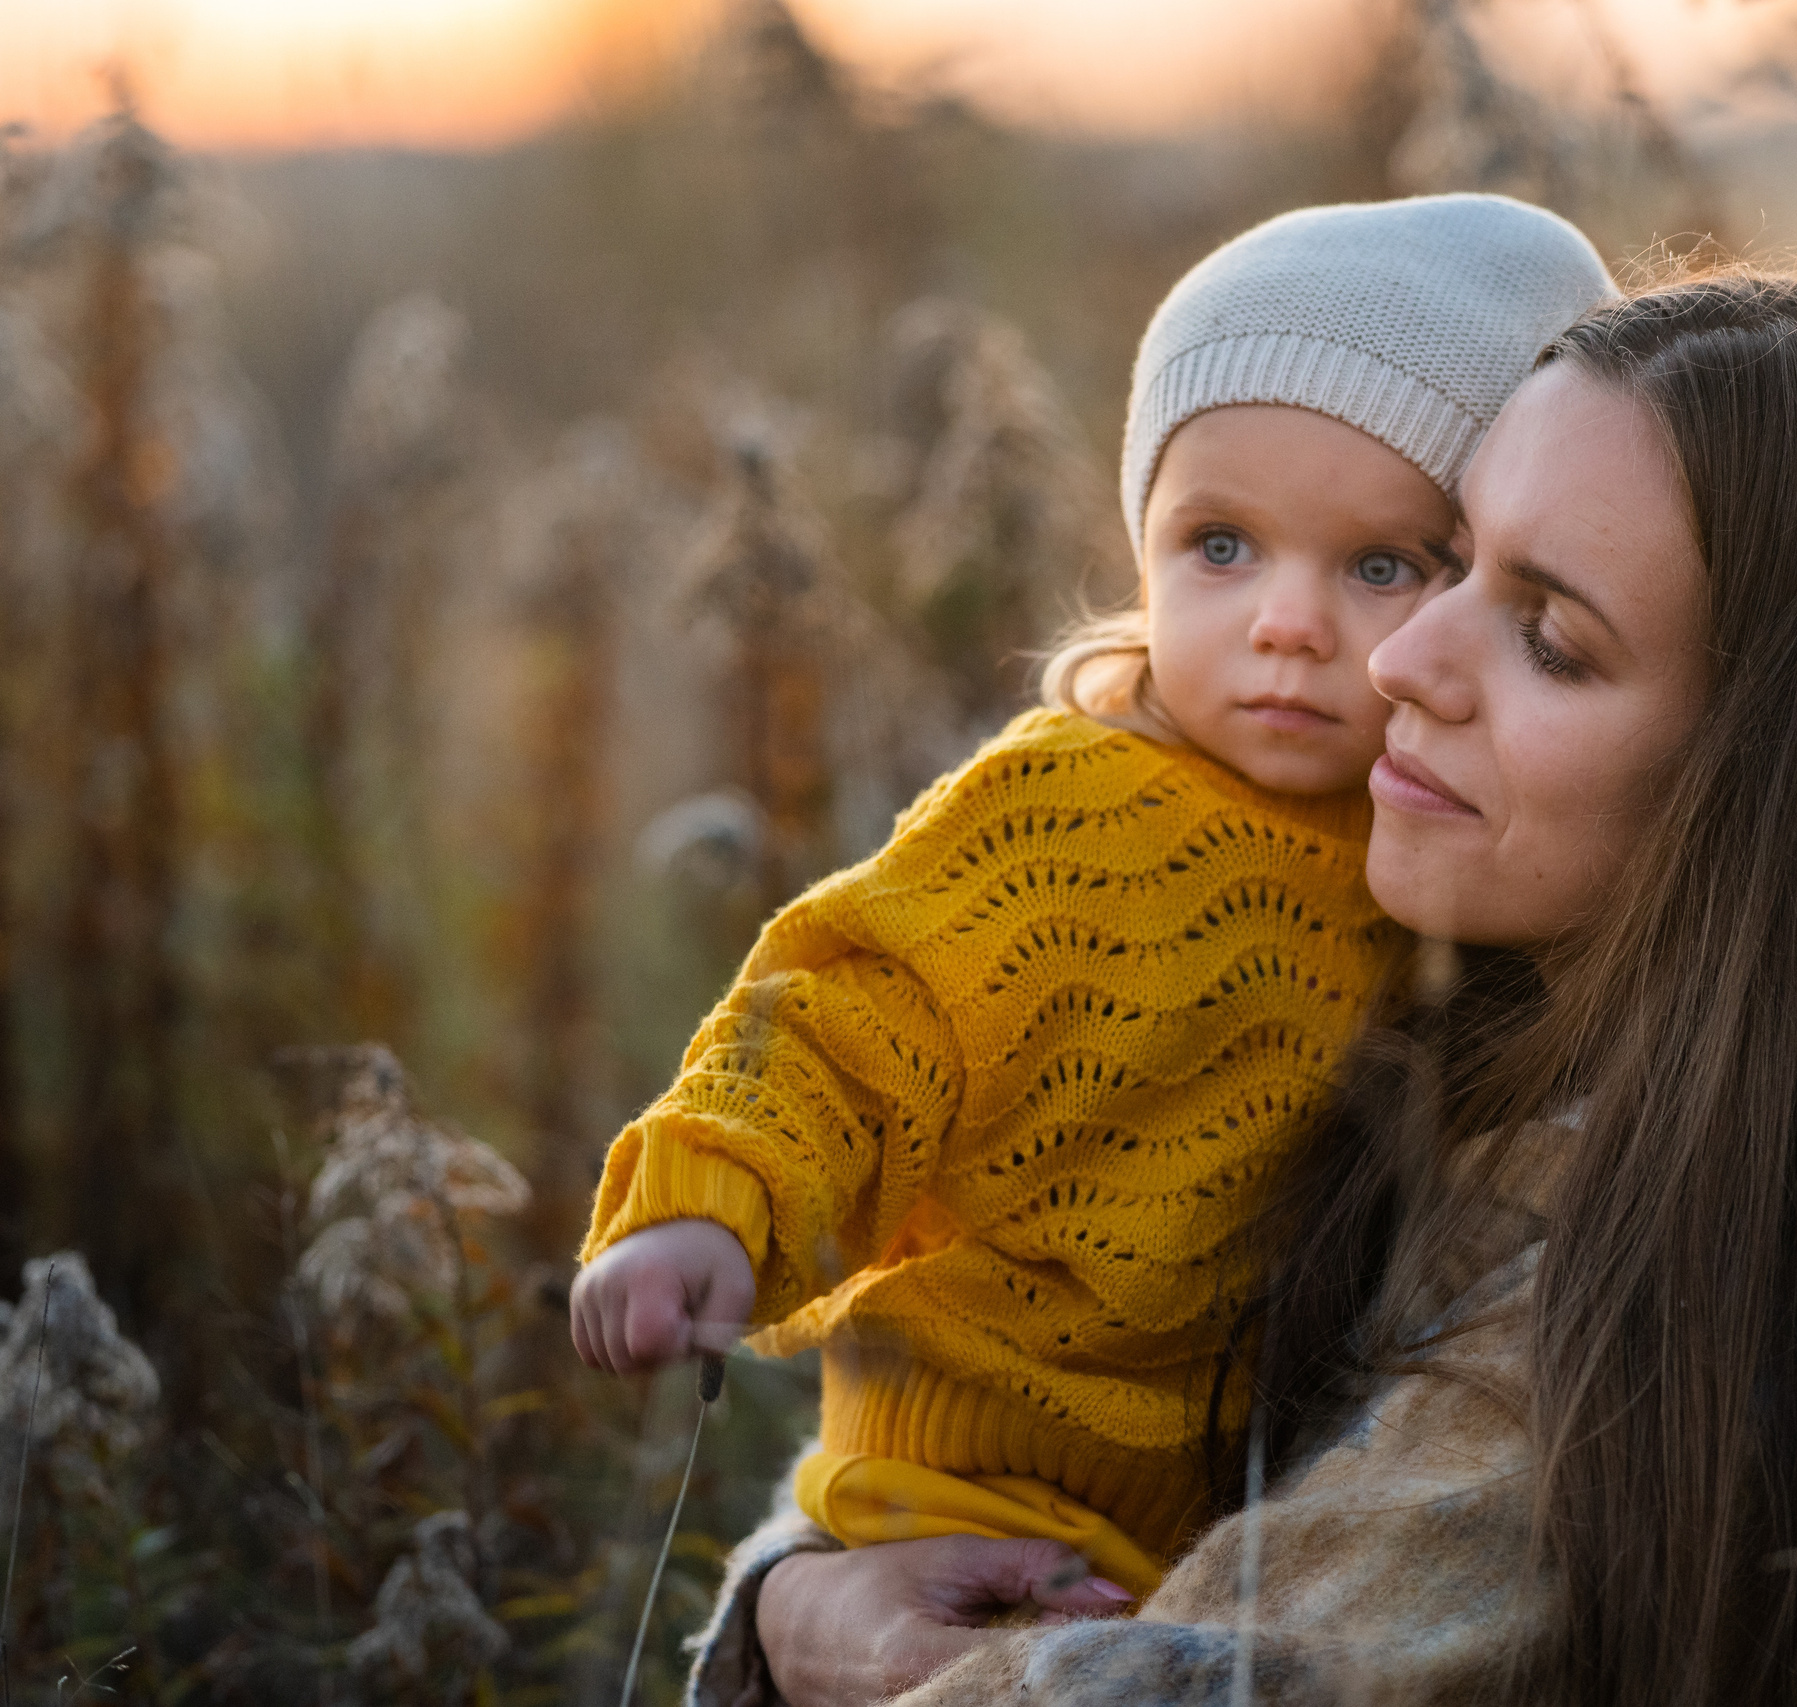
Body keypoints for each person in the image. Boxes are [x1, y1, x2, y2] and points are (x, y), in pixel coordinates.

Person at [708, 267, 1797, 1707]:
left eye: (1549, 640)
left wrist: (796, 1629)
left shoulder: (1645, 1330)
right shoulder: (1457, 1043)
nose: (1396, 661)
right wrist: (812, 1577)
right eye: (1447, 564)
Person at [569, 195, 1615, 1601]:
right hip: (955, 1489)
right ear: (1144, 553)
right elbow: (852, 1015)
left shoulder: (1449, 849)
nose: (1285, 622)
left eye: (1381, 565)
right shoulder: (1073, 809)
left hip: (1226, 1533)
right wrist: (711, 1200)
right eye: (1220, 546)